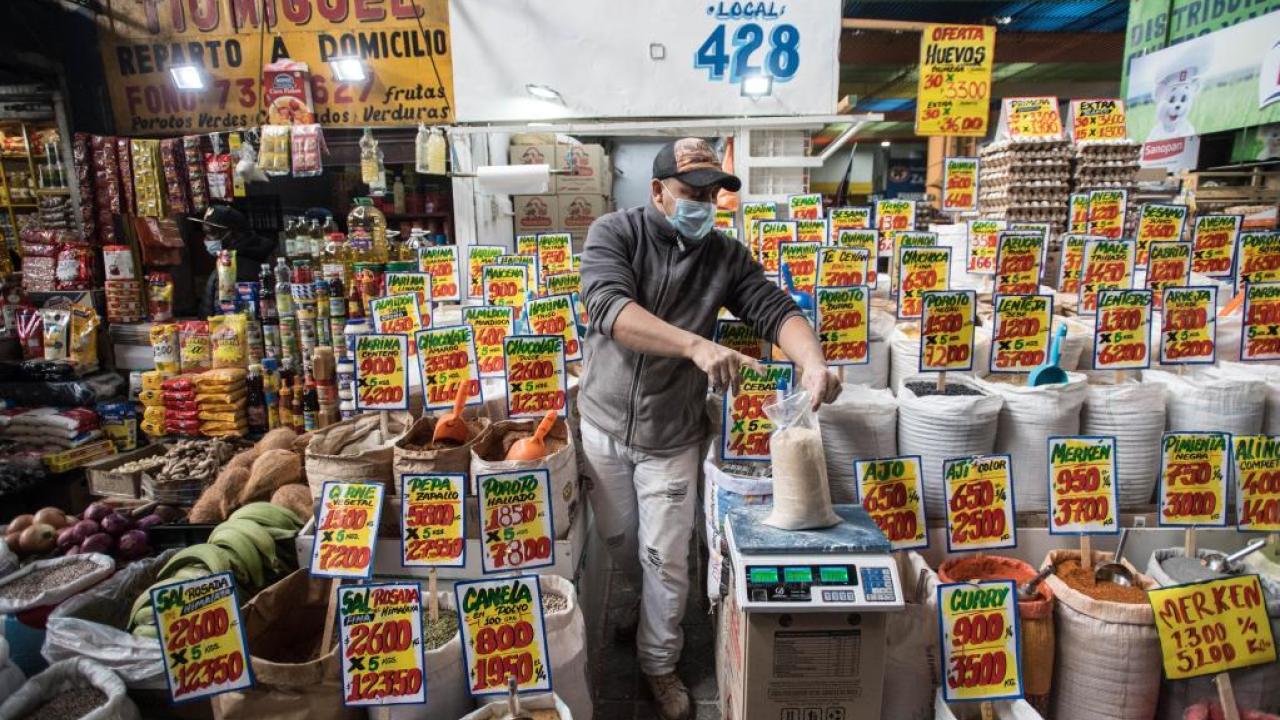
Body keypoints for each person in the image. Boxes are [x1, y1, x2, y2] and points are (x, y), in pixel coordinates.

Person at [578, 138, 841, 720]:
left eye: (713, 194)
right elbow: (608, 307)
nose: (704, 204)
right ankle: (644, 609)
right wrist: (694, 345)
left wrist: (812, 360)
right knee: (622, 541)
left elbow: (774, 310)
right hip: (601, 422)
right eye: (692, 193)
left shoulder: (724, 255)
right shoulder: (615, 233)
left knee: (666, 556)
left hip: (671, 434)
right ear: (658, 192)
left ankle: (658, 664)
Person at [191, 205, 276, 317]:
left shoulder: (229, 266)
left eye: (211, 233)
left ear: (232, 235)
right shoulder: (264, 255)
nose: (206, 240)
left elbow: (223, 316)